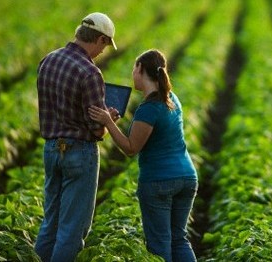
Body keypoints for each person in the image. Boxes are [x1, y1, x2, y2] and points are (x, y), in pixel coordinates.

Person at [88, 49, 198, 262]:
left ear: (140, 69)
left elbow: (130, 148)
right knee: (179, 239)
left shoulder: (149, 109)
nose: (132, 73)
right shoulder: (172, 99)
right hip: (187, 177)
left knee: (159, 244)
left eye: (134, 68)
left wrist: (108, 122)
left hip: (159, 181)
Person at [34, 12, 120, 262]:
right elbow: (95, 129)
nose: (104, 51)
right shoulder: (90, 73)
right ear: (101, 39)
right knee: (72, 229)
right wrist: (108, 121)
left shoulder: (47, 61)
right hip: (79, 153)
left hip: (51, 149)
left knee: (50, 223)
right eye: (106, 45)